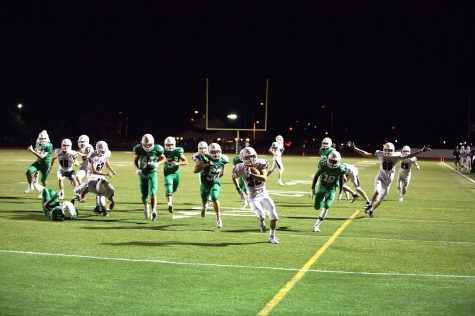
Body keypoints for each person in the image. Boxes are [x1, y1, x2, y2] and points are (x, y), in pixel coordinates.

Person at [346, 141, 430, 217]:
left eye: (389, 150)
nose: (387, 152)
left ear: (393, 150)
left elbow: (409, 156)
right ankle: (370, 205)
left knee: (380, 200)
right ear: (383, 149)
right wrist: (355, 148)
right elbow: (366, 154)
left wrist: (421, 150)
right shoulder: (380, 153)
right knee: (377, 191)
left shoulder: (396, 156)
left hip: (388, 181)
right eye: (386, 150)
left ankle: (371, 209)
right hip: (380, 177)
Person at [232, 147, 279, 244]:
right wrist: (238, 189)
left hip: (263, 194)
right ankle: (261, 222)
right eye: (248, 157)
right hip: (252, 197)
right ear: (243, 158)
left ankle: (272, 236)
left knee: (274, 216)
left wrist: (252, 175)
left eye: (252, 156)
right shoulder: (240, 167)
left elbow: (264, 178)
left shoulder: (261, 163)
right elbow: (233, 176)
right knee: (262, 215)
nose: (251, 159)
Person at [75, 140, 116, 216]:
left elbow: (106, 162)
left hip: (100, 174)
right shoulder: (93, 156)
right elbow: (94, 171)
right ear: (97, 149)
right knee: (97, 188)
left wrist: (112, 170)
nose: (103, 152)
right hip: (92, 175)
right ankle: (84, 195)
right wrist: (106, 174)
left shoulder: (106, 153)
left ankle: (98, 207)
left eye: (104, 151)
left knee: (101, 189)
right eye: (101, 151)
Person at [309, 151, 347, 232]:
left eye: (335, 161)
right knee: (317, 207)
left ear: (339, 161)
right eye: (331, 161)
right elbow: (316, 176)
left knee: (327, 205)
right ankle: (322, 200)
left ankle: (316, 225)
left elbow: (342, 180)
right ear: (328, 159)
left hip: (332, 187)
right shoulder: (323, 164)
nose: (333, 163)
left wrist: (340, 192)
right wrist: (312, 189)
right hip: (322, 185)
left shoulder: (341, 168)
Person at [193, 143, 229, 228]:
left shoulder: (223, 159)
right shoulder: (204, 158)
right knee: (204, 199)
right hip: (205, 184)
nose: (216, 154)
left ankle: (218, 217)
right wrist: (206, 165)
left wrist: (215, 176)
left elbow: (222, 173)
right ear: (209, 152)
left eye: (217, 152)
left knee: (214, 197)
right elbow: (195, 170)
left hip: (215, 182)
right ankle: (204, 206)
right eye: (213, 152)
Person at [133, 134, 166, 221]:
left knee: (153, 193)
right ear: (142, 143)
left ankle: (154, 210)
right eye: (145, 145)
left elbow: (164, 158)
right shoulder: (139, 149)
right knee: (144, 195)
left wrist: (157, 163)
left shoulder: (157, 149)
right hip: (143, 174)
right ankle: (146, 206)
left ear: (153, 143)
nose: (147, 147)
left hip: (152, 173)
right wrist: (137, 169)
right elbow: (135, 160)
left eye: (149, 145)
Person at [163, 136, 188, 213]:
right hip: (167, 173)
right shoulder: (163, 151)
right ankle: (169, 204)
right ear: (165, 144)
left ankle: (168, 194)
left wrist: (178, 163)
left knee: (174, 189)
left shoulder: (177, 151)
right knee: (169, 187)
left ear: (174, 144)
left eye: (171, 144)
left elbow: (186, 162)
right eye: (168, 145)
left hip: (176, 173)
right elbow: (157, 160)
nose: (169, 146)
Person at [24, 130, 53, 194]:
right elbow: (38, 151)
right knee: (28, 171)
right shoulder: (38, 142)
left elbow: (42, 156)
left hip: (46, 164)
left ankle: (44, 192)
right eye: (41, 138)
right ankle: (30, 185)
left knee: (43, 180)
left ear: (47, 138)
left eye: (44, 138)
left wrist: (32, 151)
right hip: (38, 162)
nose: (42, 140)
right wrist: (35, 150)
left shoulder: (49, 146)